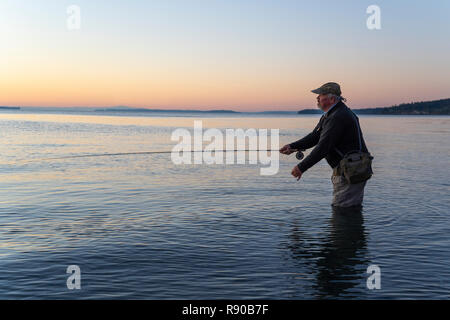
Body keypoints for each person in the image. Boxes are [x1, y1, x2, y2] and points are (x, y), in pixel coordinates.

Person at [280, 82, 370, 207]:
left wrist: (301, 167)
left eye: (321, 95)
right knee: (347, 210)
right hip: (350, 169)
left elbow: (323, 147)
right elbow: (315, 136)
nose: (317, 98)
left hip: (350, 171)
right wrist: (292, 146)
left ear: (332, 99)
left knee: (342, 211)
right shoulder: (332, 114)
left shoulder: (338, 117)